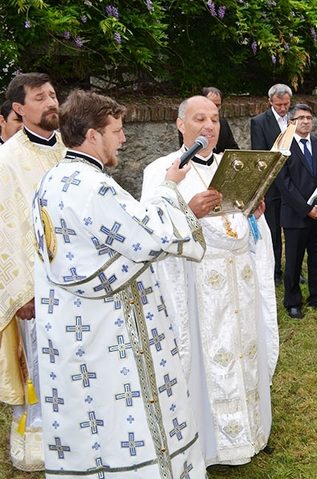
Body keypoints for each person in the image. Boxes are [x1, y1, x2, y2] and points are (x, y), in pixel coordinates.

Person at [31, 89, 207, 478]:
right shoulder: (94, 187)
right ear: (93, 135)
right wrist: (169, 188)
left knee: (93, 420)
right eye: (117, 129)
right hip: (110, 331)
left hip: (75, 330)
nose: (124, 138)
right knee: (124, 418)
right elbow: (148, 235)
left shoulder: (52, 180)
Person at [142, 95, 279, 465]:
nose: (209, 126)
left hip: (241, 281)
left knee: (245, 351)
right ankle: (213, 444)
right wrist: (189, 211)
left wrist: (255, 212)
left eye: (215, 119)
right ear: (180, 124)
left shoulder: (231, 165)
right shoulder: (161, 171)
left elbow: (249, 230)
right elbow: (152, 231)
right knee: (209, 360)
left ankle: (252, 431)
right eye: (200, 118)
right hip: (199, 285)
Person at [0, 72, 65, 472]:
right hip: (34, 289)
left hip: (75, 282)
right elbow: (5, 228)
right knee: (39, 368)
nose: (51, 102)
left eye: (54, 95)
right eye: (40, 97)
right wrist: (20, 292)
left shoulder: (68, 150)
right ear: (19, 109)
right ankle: (37, 448)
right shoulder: (7, 160)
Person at [276, 104, 317, 319]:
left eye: (309, 117)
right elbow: (284, 183)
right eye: (300, 118)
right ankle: (293, 301)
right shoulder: (283, 148)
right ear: (291, 122)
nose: (305, 121)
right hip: (296, 216)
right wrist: (306, 209)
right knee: (293, 260)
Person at [251, 83, 292, 282]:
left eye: (286, 104)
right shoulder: (259, 122)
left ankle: (294, 269)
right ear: (270, 102)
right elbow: (260, 155)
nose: (283, 108)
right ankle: (275, 271)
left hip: (294, 181)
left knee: (293, 229)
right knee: (274, 229)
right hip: (273, 183)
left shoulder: (295, 119)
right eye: (278, 105)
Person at [178, 87, 239, 153]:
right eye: (211, 103)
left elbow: (234, 150)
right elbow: (188, 149)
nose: (214, 108)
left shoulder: (223, 123)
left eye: (217, 105)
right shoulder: (188, 122)